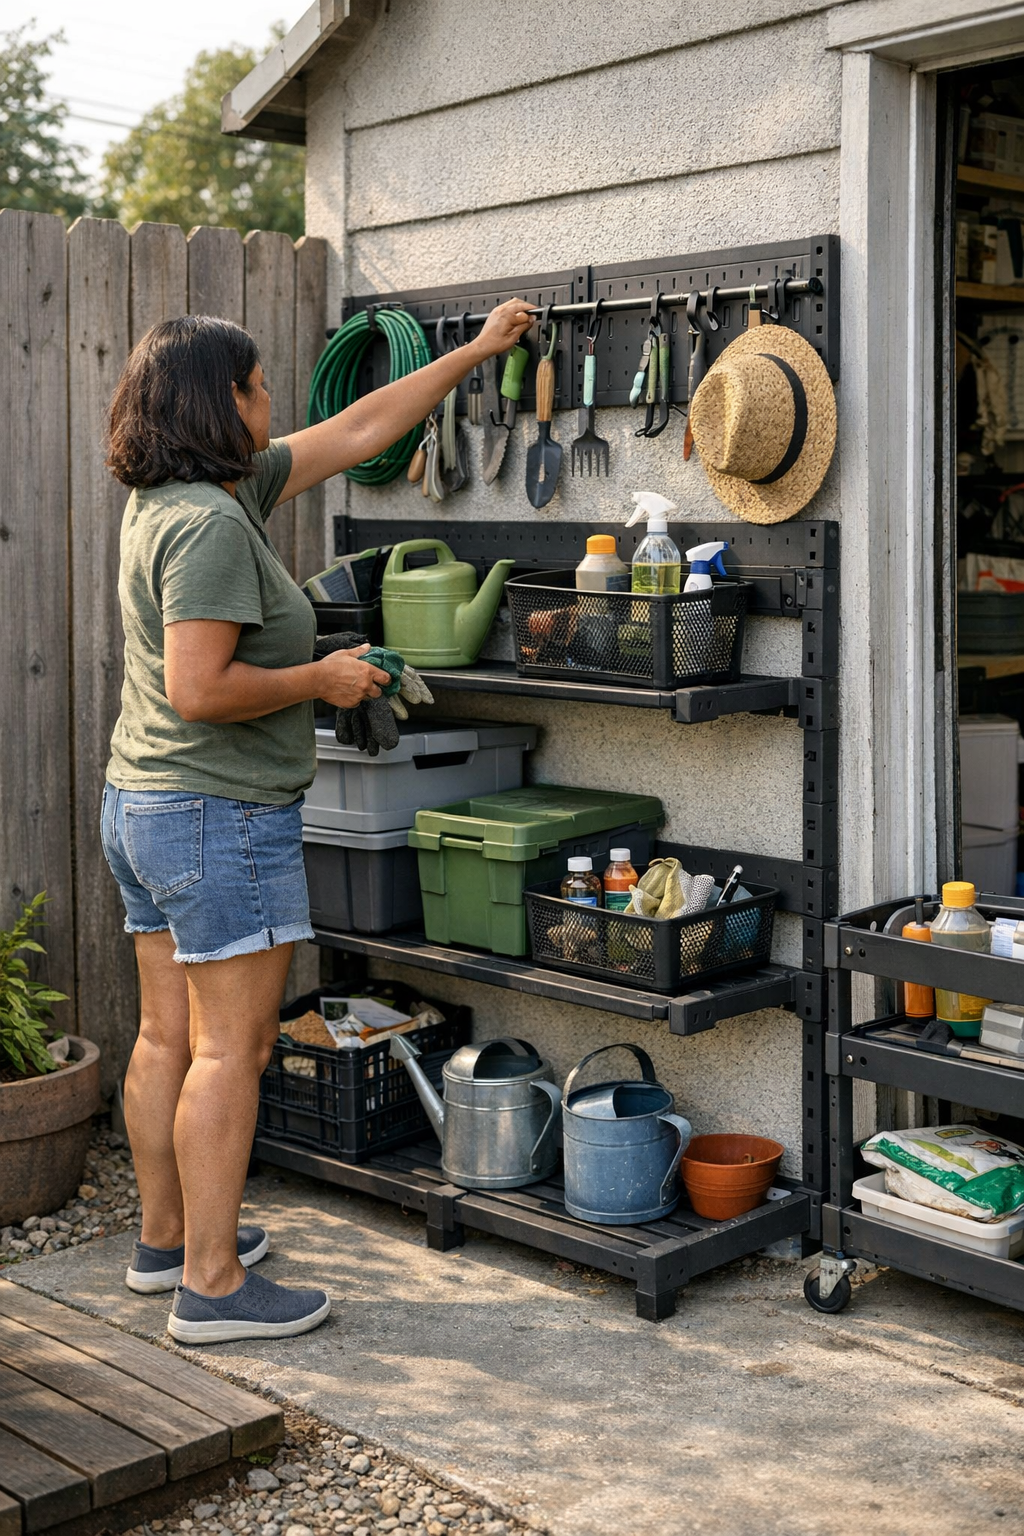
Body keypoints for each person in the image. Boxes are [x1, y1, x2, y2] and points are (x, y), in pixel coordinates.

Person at [101, 299, 534, 1344]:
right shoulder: (208, 525)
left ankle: (168, 1242)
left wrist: (475, 354)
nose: (270, 401)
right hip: (215, 811)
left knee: (167, 1034)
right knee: (229, 1051)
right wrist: (327, 678)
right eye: (255, 385)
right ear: (221, 400)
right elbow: (204, 687)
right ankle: (213, 1287)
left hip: (145, 803)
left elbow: (357, 430)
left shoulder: (190, 494)